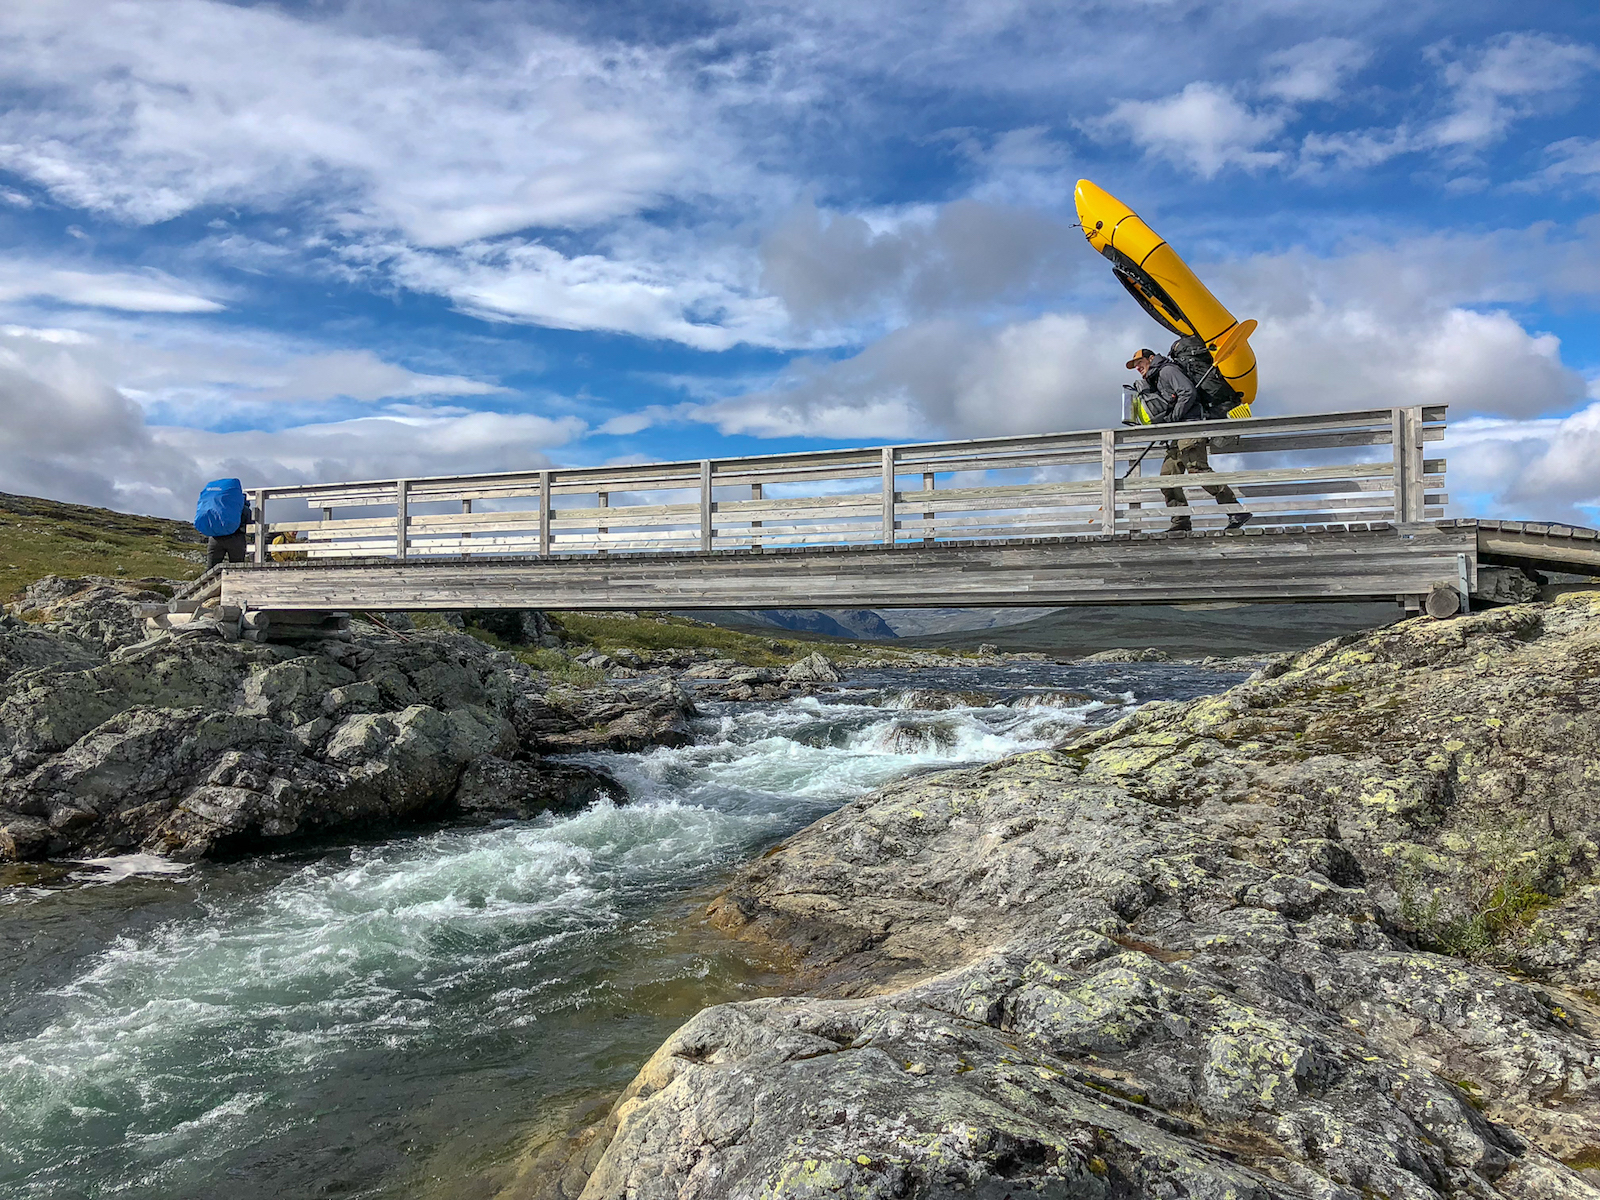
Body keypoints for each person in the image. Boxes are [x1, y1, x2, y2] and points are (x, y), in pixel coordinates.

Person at [1127, 348, 1252, 532]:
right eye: (1135, 365)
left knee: (1197, 469)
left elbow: (1187, 392)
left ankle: (1236, 511)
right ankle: (1181, 521)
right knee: (1168, 476)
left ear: (1151, 358)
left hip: (1190, 426)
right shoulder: (1155, 378)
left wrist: (1173, 418)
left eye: (1140, 362)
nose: (1137, 367)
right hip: (1178, 432)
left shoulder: (1167, 370)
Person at [206, 496, 254, 567]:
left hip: (215, 538)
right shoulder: (245, 509)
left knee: (211, 568)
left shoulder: (220, 505)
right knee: (237, 567)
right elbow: (251, 527)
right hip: (236, 539)